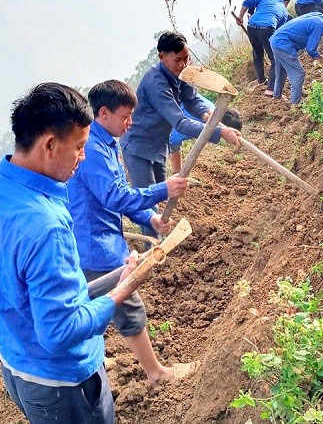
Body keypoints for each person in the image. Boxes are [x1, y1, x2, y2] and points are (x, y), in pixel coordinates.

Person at [0, 82, 148, 424]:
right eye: (78, 147)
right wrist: (121, 292)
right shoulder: (46, 226)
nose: (83, 157)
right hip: (62, 386)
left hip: (16, 368)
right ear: (48, 144)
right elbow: (59, 334)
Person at [66, 79, 198, 387]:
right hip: (94, 243)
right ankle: (157, 374)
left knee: (91, 302)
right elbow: (114, 196)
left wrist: (149, 218)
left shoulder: (106, 142)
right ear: (103, 113)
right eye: (125, 116)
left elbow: (118, 195)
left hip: (101, 236)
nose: (130, 122)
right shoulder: (93, 150)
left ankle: (91, 361)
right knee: (127, 303)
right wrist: (161, 189)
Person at [120, 32, 242, 233]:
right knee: (149, 202)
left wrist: (206, 113)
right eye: (177, 60)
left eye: (186, 59)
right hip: (138, 146)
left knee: (159, 195)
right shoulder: (155, 83)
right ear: (161, 57)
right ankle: (152, 249)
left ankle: (155, 239)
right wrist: (219, 132)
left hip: (159, 145)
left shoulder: (180, 73)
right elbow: (180, 123)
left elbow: (192, 99)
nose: (183, 65)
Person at [271, 11, 323, 105]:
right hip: (283, 44)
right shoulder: (319, 24)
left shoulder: (319, 16)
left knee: (281, 70)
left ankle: (276, 96)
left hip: (276, 39)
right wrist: (321, 58)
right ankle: (295, 104)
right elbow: (311, 49)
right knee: (299, 73)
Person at [236, 0, 291, 95]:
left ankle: (261, 81)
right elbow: (278, 33)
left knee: (257, 55)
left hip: (251, 27)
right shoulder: (284, 11)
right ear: (286, 2)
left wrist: (240, 17)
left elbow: (247, 1)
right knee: (276, 59)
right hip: (267, 29)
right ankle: (270, 89)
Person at [169, 101, 243, 173]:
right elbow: (173, 139)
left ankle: (177, 173)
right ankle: (176, 174)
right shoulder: (199, 122)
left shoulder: (210, 107)